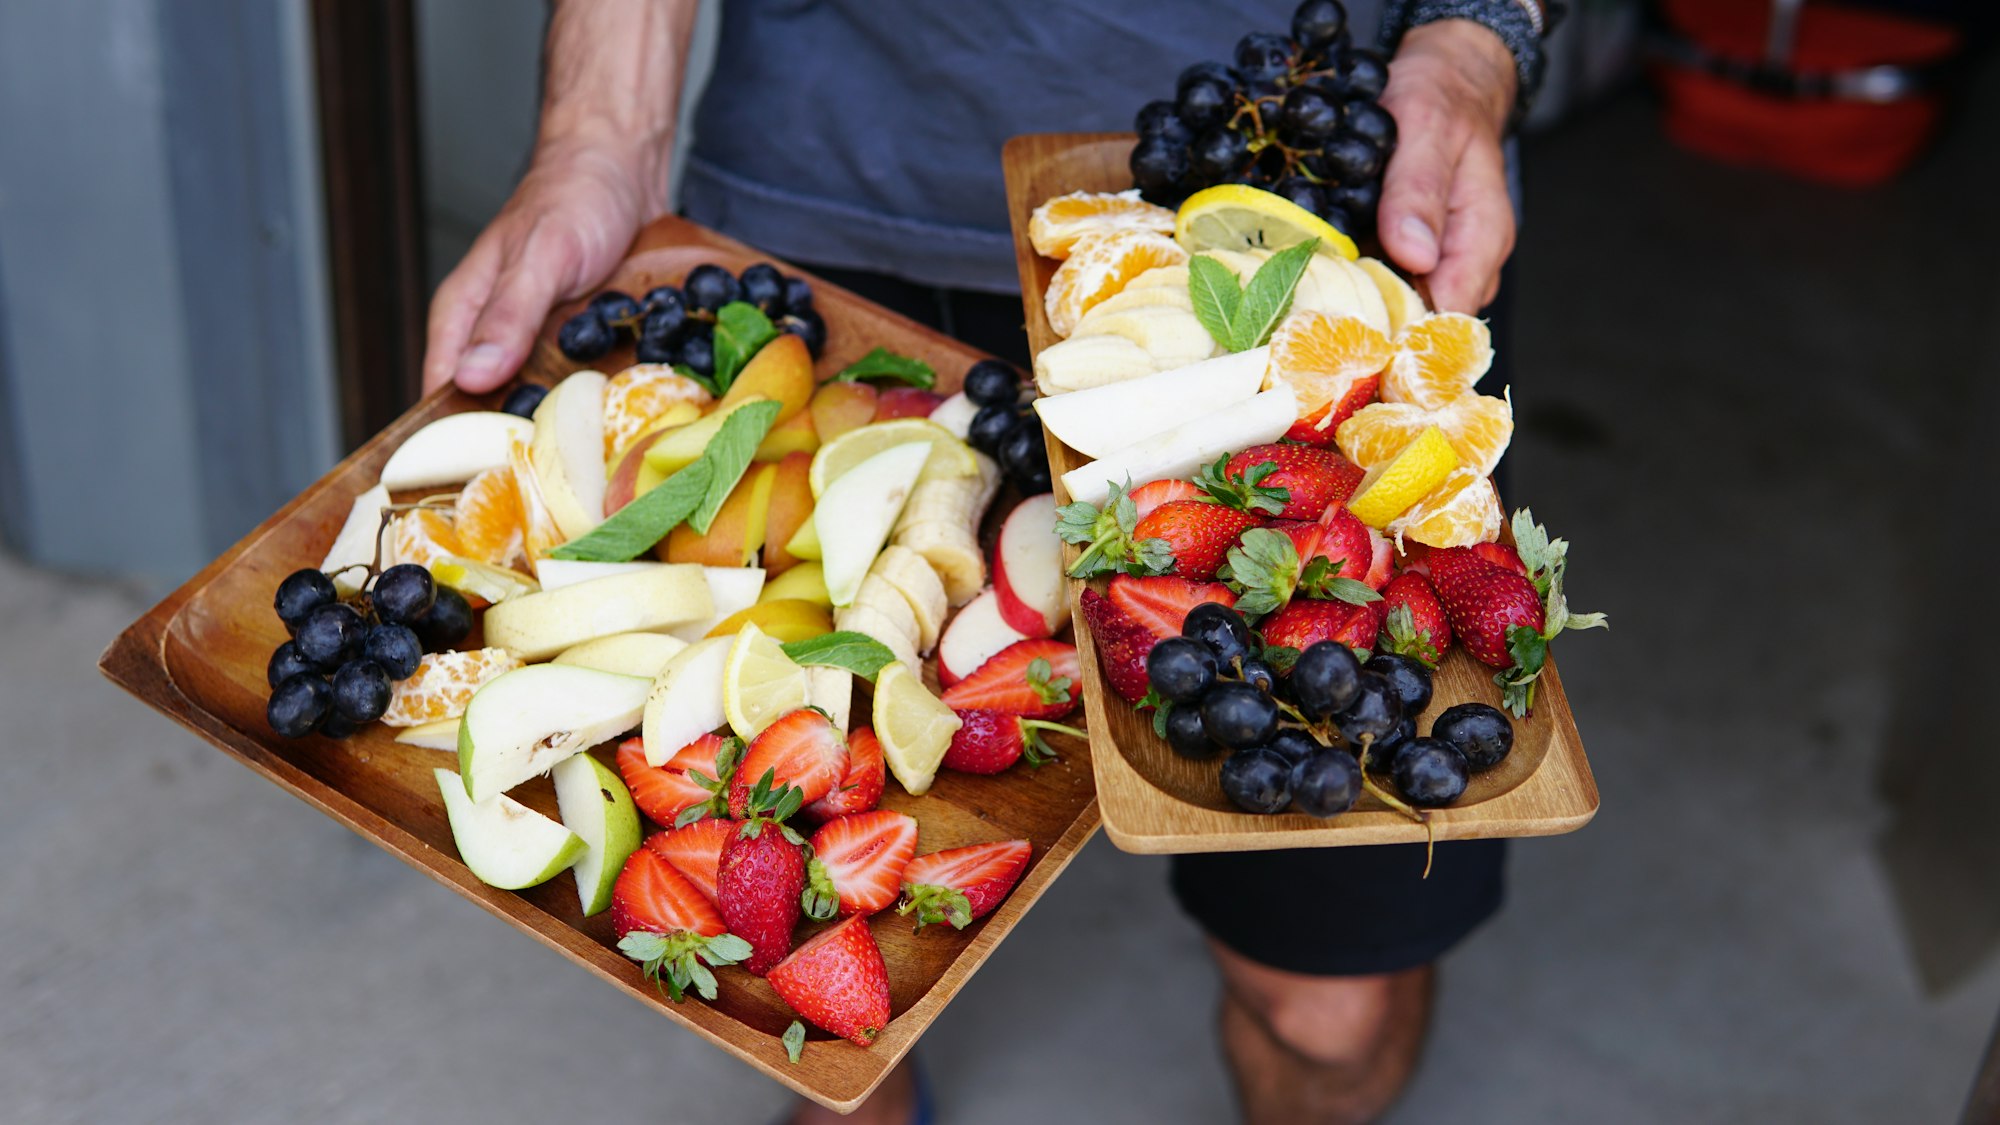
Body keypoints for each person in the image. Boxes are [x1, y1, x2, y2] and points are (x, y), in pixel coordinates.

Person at [425, 3, 1552, 1122]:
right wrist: (597, 140)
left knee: (1327, 1013)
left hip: (1294, 230)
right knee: (807, 978)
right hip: (833, 175)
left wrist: (1471, 39)